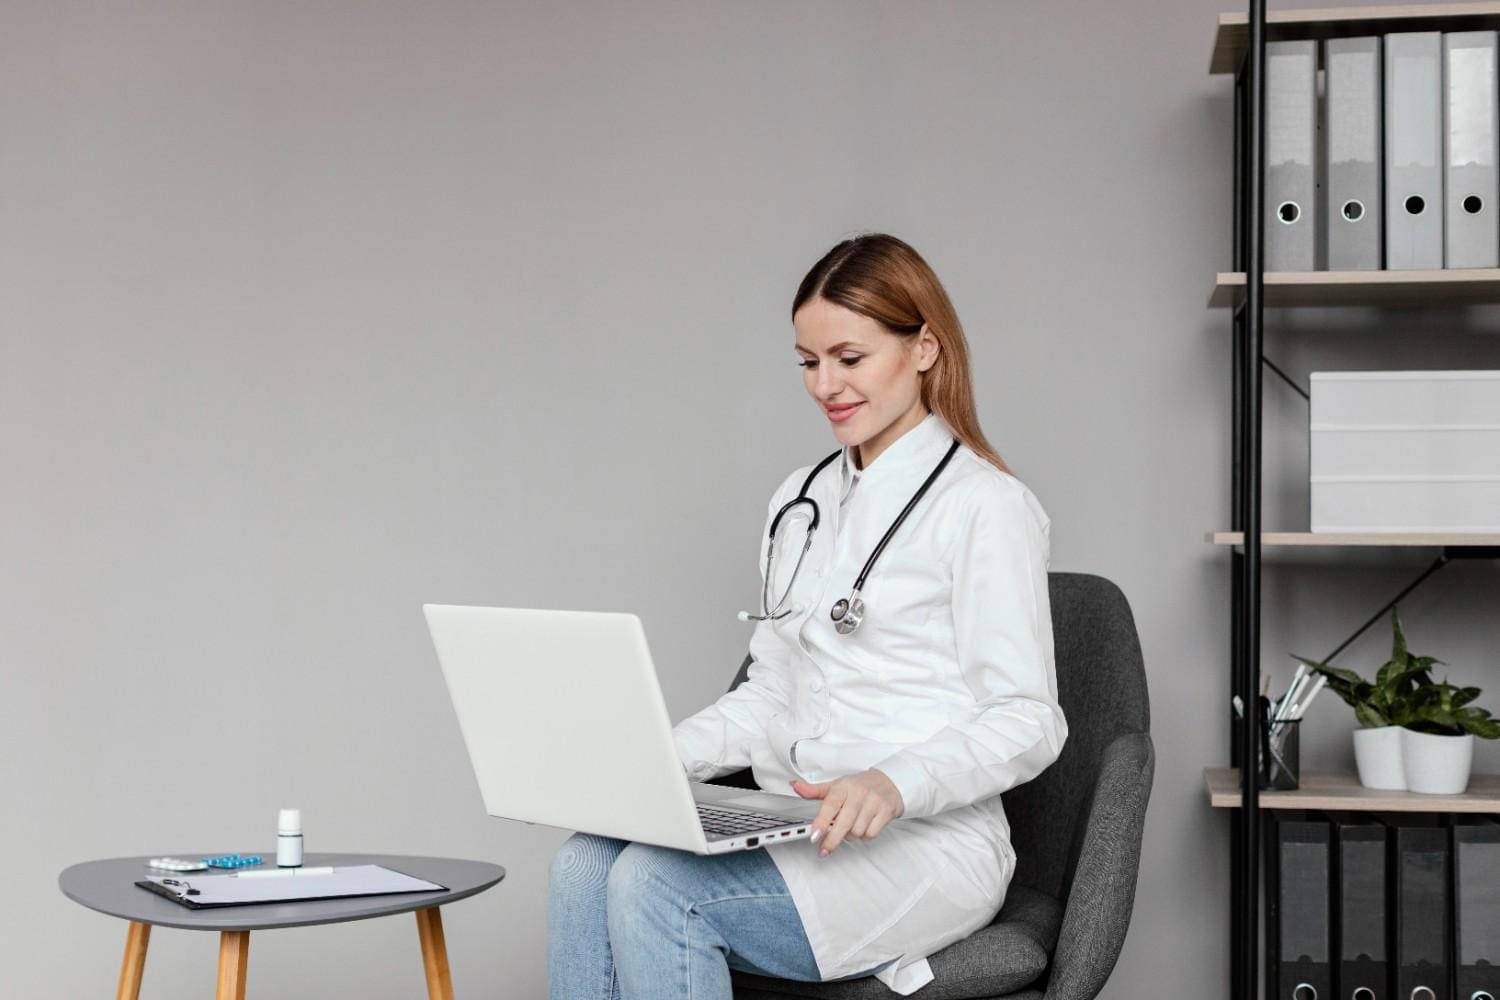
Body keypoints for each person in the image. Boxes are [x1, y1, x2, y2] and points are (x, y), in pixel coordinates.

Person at [547, 232, 1067, 999]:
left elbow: (1029, 717)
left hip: (921, 843)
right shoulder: (801, 499)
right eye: (808, 361)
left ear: (924, 348)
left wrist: (894, 781)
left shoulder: (987, 506)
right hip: (793, 823)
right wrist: (652, 761)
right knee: (585, 860)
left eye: (849, 359)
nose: (826, 384)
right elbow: (771, 692)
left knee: (660, 886)